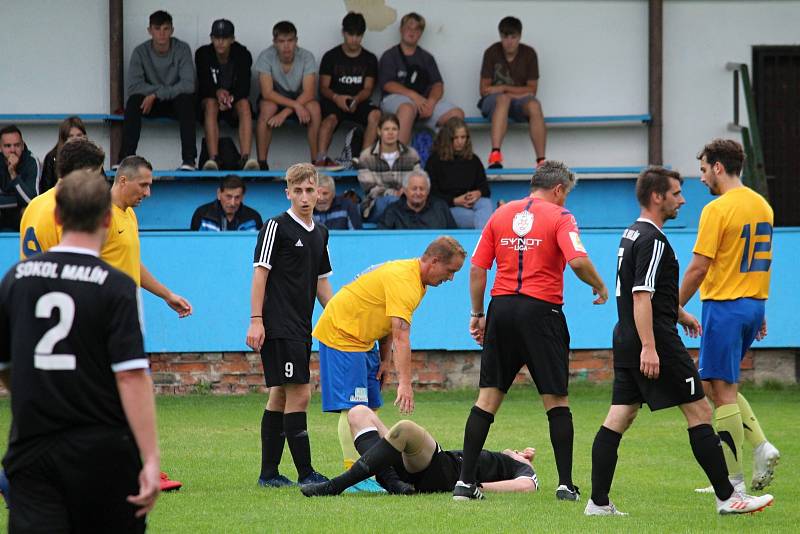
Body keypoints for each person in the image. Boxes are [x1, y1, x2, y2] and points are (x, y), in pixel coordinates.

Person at [584, 166, 774, 517]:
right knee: (701, 410)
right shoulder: (653, 239)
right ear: (657, 197)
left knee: (619, 416)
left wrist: (681, 314)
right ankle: (728, 497)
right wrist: (650, 346)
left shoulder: (631, 233)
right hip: (653, 340)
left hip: (625, 335)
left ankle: (597, 503)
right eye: (676, 193)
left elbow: (647, 295)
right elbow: (642, 295)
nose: (683, 200)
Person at [0, 170, 161, 532]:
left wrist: (39, 393)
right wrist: (150, 459)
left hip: (33, 445)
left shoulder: (16, 278)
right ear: (107, 217)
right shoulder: (116, 286)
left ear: (57, 217)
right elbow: (132, 375)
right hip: (103, 447)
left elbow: (6, 365)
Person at [453, 160, 608, 502]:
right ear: (558, 189)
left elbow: (478, 268)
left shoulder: (500, 214)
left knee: (487, 398)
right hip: (542, 312)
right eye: (565, 194)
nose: (566, 201)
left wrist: (478, 313)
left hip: (502, 309)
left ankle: (464, 484)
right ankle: (565, 485)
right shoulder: (560, 217)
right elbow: (578, 261)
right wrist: (599, 286)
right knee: (556, 401)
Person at [312, 236, 466, 491]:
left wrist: (384, 360)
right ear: (435, 261)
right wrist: (405, 384)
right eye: (450, 271)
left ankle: (374, 471)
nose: (451, 278)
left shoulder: (417, 281)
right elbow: (401, 335)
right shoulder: (405, 280)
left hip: (365, 339)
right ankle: (356, 477)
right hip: (341, 333)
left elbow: (386, 318)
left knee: (370, 407)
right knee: (352, 407)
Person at [679, 139, 780, 493]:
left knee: (720, 392)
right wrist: (758, 308)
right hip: (751, 304)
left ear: (719, 167)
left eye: (704, 170)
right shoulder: (762, 206)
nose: (702, 178)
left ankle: (732, 482)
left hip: (724, 307)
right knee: (713, 384)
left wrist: (672, 307)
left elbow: (698, 267)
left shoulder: (718, 210)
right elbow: (758, 259)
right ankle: (762, 446)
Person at [246, 163, 333, 488]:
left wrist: (339, 317)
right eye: (298, 191)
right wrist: (256, 321)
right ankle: (306, 473)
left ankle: (269, 474)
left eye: (310, 190)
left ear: (318, 191)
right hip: (279, 325)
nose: (305, 196)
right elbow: (260, 274)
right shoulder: (275, 227)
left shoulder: (321, 233)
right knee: (300, 393)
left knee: (280, 397)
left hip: (302, 327)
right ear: (288, 193)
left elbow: (322, 282)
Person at [301, 405, 538, 497]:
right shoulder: (503, 458)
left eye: (520, 452)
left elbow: (527, 485)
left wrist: (471, 486)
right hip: (424, 466)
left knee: (405, 429)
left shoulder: (523, 469)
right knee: (358, 413)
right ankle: (394, 484)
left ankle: (334, 486)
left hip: (444, 472)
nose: (518, 450)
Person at [119, 10, 197, 170]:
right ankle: (125, 159)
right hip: (150, 105)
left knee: (187, 101)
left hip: (174, 103)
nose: (161, 34)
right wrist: (155, 95)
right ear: (150, 31)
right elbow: (134, 87)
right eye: (157, 29)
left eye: (166, 29)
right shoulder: (140, 52)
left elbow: (189, 85)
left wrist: (156, 94)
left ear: (172, 30)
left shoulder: (182, 49)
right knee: (133, 102)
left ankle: (189, 161)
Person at [378, 12, 464, 145]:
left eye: (417, 29)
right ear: (401, 30)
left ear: (421, 33)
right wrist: (413, 96)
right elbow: (387, 84)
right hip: (395, 101)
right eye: (408, 27)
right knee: (407, 108)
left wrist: (431, 102)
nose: (412, 32)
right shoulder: (390, 55)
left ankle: (444, 159)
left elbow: (438, 85)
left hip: (423, 104)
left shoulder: (426, 57)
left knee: (456, 114)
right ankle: (399, 161)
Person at [20, 137, 106, 258]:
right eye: (96, 175)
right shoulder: (71, 208)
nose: (98, 181)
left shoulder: (34, 205)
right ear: (85, 173)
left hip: (30, 274)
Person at [316, 12, 382, 169]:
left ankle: (364, 160)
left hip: (358, 101)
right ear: (343, 33)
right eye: (351, 34)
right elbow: (323, 88)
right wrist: (337, 97)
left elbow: (368, 88)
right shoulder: (331, 56)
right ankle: (321, 159)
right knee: (328, 120)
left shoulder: (370, 58)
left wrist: (356, 100)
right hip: (334, 101)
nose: (354, 39)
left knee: (376, 114)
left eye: (358, 35)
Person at [479, 16, 545, 169]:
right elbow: (484, 90)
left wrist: (503, 88)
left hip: (517, 102)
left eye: (513, 37)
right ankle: (495, 156)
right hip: (494, 103)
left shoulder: (529, 54)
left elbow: (532, 90)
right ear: (500, 36)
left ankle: (541, 161)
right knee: (503, 100)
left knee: (534, 105)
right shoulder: (491, 52)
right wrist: (508, 94)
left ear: (520, 36)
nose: (509, 41)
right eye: (505, 37)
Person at [255, 21, 321, 171]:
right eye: (281, 41)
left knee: (315, 108)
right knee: (267, 108)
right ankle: (262, 164)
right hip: (275, 99)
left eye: (290, 41)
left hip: (301, 100)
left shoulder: (306, 56)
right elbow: (267, 93)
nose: (286, 46)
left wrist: (285, 113)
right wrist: (295, 106)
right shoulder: (266, 56)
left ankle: (316, 162)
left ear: (296, 41)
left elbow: (309, 92)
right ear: (274, 42)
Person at [195, 19, 258, 171]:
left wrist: (231, 97)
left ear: (232, 39)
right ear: (211, 38)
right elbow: (202, 86)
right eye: (217, 38)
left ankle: (245, 159)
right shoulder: (203, 54)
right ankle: (214, 159)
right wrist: (217, 93)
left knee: (244, 104)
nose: (220, 42)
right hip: (211, 101)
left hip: (233, 102)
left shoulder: (242, 54)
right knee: (210, 103)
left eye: (225, 38)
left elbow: (245, 86)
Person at [425, 117, 492, 229]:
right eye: (455, 138)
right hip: (448, 207)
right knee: (472, 217)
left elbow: (485, 188)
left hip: (472, 203)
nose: (460, 141)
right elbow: (431, 194)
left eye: (463, 137)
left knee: (486, 203)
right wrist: (454, 201)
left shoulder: (473, 160)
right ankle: (484, 242)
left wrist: (478, 193)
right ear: (447, 139)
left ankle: (483, 241)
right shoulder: (435, 161)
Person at [357, 112, 421, 222]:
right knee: (392, 201)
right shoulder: (366, 156)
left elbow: (418, 179)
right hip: (376, 204)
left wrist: (407, 191)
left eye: (394, 129)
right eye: (386, 129)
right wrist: (395, 193)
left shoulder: (411, 154)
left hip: (407, 200)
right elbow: (370, 189)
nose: (390, 133)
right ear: (379, 131)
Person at [378, 170, 457, 229]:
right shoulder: (393, 211)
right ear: (405, 190)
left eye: (422, 189)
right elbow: (381, 239)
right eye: (414, 189)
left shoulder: (440, 208)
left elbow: (454, 238)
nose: (418, 193)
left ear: (428, 191)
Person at [1, 125, 42, 230]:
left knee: (28, 211)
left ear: (23, 146)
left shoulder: (31, 161)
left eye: (17, 145)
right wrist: (16, 201)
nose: (13, 150)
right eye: (7, 146)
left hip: (21, 215)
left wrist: (13, 174)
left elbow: (32, 202)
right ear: (0, 148)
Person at [190, 175, 263, 231]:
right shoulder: (202, 214)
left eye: (237, 197)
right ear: (219, 194)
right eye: (228, 197)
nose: (232, 203)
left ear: (242, 197)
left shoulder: (254, 218)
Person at [40, 116, 88, 193]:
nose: (75, 140)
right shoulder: (51, 158)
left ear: (85, 137)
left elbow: (103, 187)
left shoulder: (92, 156)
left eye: (79, 135)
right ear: (63, 139)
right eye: (70, 136)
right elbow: (45, 191)